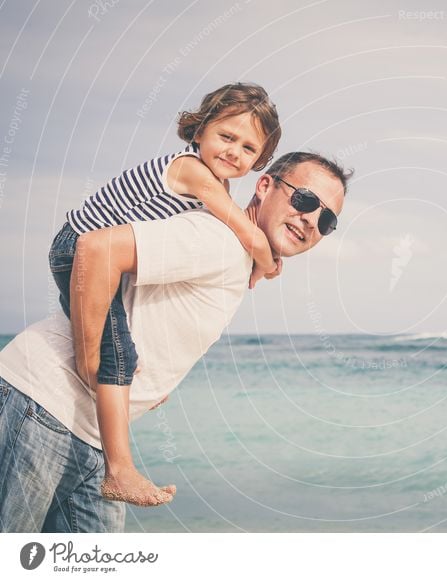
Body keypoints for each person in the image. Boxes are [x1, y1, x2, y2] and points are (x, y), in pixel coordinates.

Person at [0, 151, 350, 532]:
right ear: (265, 186)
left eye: (327, 219)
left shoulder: (237, 258)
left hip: (93, 434)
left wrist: (150, 387)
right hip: (42, 404)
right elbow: (96, 249)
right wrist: (90, 361)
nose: (311, 219)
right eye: (305, 200)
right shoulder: (217, 240)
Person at [50, 83, 283, 508]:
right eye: (226, 137)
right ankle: (118, 468)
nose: (234, 152)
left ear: (258, 161)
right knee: (111, 353)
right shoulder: (191, 170)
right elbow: (246, 231)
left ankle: (110, 392)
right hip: (76, 249)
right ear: (199, 131)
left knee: (124, 352)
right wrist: (266, 262)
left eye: (248, 148)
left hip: (103, 261)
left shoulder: (216, 184)